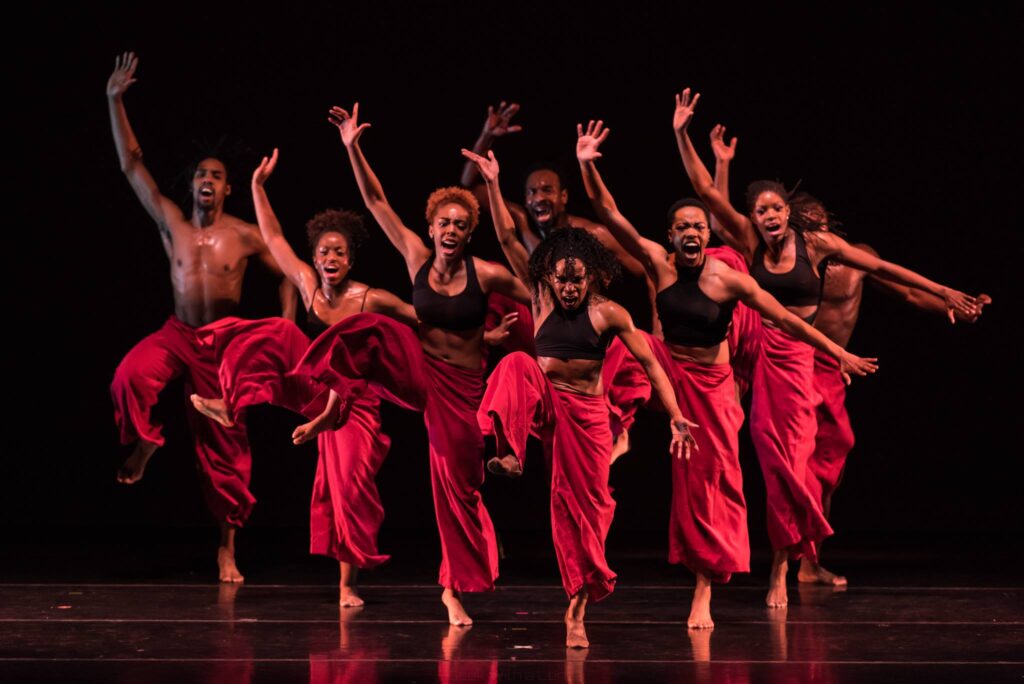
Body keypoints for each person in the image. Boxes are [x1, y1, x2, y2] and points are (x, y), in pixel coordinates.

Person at [672, 86, 981, 607]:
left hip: (799, 361)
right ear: (755, 216)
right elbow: (705, 190)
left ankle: (784, 566)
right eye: (760, 211)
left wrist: (942, 289)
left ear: (788, 213)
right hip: (764, 350)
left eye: (776, 209)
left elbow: (885, 270)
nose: (769, 217)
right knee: (771, 460)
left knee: (793, 464)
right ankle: (776, 568)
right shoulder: (749, 241)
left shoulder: (817, 246)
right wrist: (681, 132)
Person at [574, 120, 876, 628]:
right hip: (666, 364)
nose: (691, 232)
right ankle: (617, 427)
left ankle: (703, 589)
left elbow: (782, 319)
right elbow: (608, 212)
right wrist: (587, 163)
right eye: (682, 227)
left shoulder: (729, 276)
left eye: (698, 227)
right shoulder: (658, 262)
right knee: (621, 335)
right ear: (670, 236)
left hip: (710, 385)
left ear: (706, 235)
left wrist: (837, 353)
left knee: (709, 482)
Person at [464, 146, 697, 648]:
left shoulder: (609, 312)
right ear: (549, 276)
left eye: (577, 279)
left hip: (588, 415)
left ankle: (576, 610)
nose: (568, 287)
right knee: (516, 363)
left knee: (585, 512)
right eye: (561, 278)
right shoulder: (542, 295)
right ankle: (509, 451)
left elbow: (653, 363)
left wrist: (676, 414)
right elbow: (506, 235)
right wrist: (492, 183)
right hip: (547, 403)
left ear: (592, 274)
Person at [330, 103, 532, 626]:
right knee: (365, 326)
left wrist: (492, 186)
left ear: (469, 233)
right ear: (432, 223)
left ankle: (459, 568)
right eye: (444, 221)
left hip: (465, 384)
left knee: (460, 477)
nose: (450, 230)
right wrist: (353, 147)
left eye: (460, 225)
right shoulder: (416, 256)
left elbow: (537, 285)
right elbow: (375, 201)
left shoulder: (485, 273)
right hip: (419, 373)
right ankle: (452, 588)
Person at [106, 52, 294, 582]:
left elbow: (285, 270)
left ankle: (227, 548)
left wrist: (285, 324)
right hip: (178, 333)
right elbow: (131, 166)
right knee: (129, 377)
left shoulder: (242, 232)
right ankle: (146, 440)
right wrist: (114, 99)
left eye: (217, 175)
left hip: (225, 342)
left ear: (228, 188)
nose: (207, 180)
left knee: (227, 447)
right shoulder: (173, 225)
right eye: (201, 175)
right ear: (191, 186)